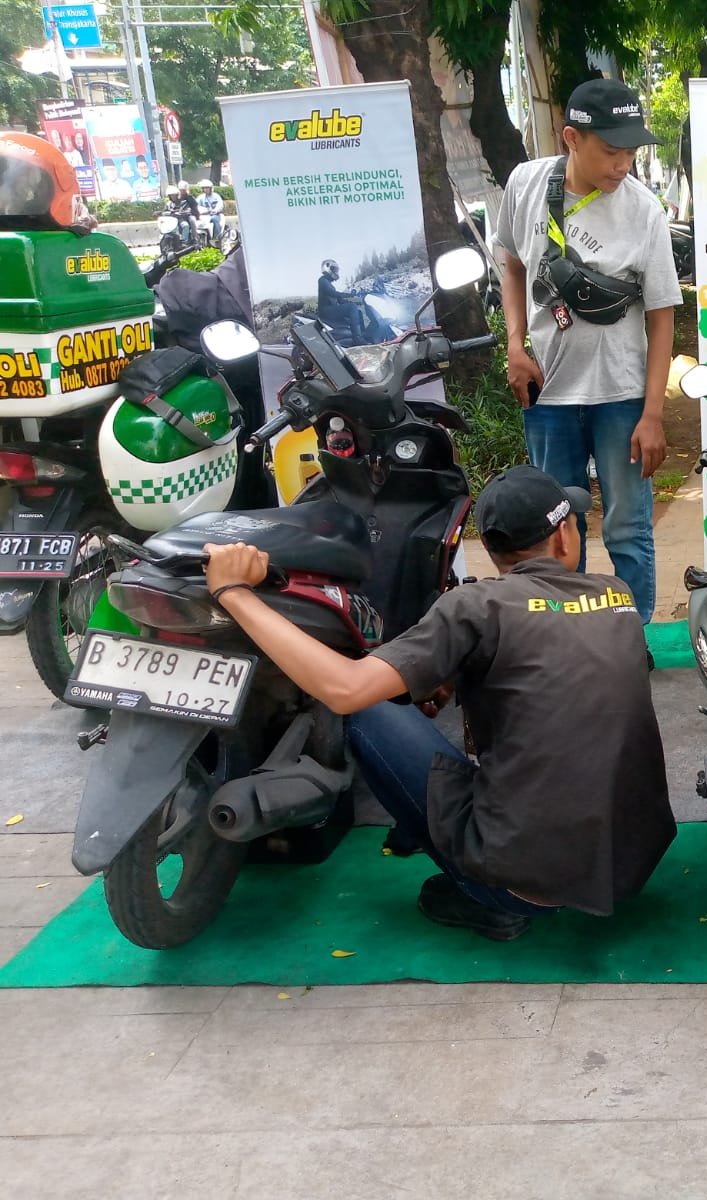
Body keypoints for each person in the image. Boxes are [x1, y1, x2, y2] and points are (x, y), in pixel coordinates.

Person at [201, 464, 677, 941]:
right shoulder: (617, 598)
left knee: (369, 711)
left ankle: (482, 894)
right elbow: (558, 670)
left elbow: (344, 689)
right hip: (630, 864)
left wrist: (234, 592)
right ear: (564, 537)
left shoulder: (477, 606)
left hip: (521, 884)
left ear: (490, 550)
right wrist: (453, 676)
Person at [493, 78, 679, 623]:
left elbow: (662, 315)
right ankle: (566, 637)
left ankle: (632, 636)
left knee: (626, 527)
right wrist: (514, 343)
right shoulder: (526, 184)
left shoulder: (643, 210)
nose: (623, 166)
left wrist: (652, 414)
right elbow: (511, 262)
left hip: (621, 397)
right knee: (553, 529)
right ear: (572, 138)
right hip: (547, 395)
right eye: (611, 152)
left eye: (631, 153)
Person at [195, 179, 224, 243]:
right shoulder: (201, 197)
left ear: (211, 188)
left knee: (214, 219)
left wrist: (215, 210)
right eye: (204, 188)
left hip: (215, 215)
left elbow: (220, 206)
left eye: (207, 188)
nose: (205, 189)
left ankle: (216, 239)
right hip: (204, 216)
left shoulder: (216, 196)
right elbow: (196, 205)